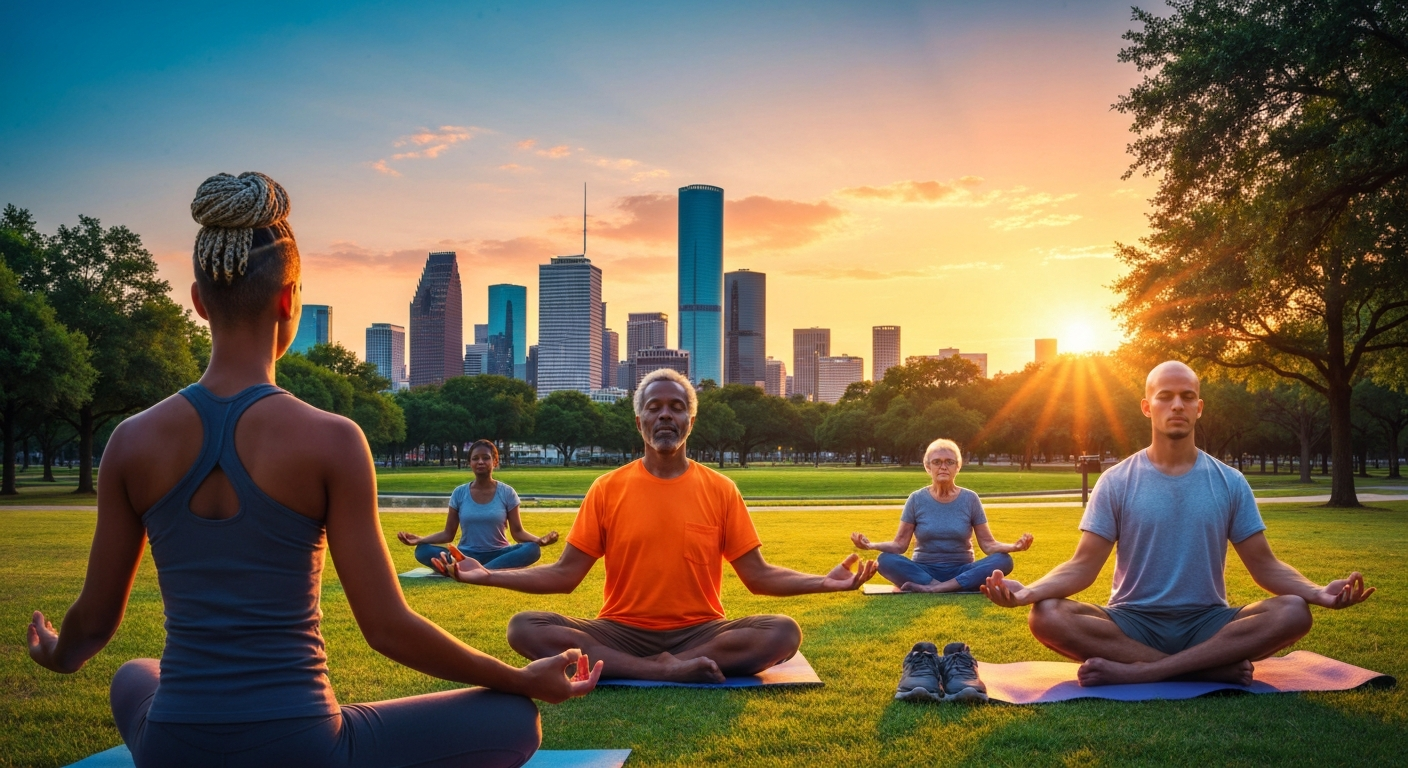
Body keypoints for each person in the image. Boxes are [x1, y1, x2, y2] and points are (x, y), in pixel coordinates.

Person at [25, 172, 600, 768]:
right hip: (303, 746)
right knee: (513, 718)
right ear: (289, 299)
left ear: (198, 302)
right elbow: (388, 628)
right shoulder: (333, 441)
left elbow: (92, 624)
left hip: (175, 744)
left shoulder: (130, 440)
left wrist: (59, 653)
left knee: (133, 675)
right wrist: (520, 678)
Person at [434, 368, 878, 683]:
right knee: (524, 627)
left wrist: (823, 582)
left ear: (690, 420)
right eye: (655, 407)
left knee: (784, 632)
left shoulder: (721, 489)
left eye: (676, 407)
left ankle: (666, 662)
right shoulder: (607, 488)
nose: (666, 415)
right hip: (620, 630)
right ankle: (662, 670)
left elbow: (758, 576)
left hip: (702, 631)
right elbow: (565, 575)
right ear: (639, 420)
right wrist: (490, 575)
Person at [981, 361, 1376, 686]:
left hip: (1209, 622)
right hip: (1131, 621)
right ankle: (1207, 670)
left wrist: (1318, 593)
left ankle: (1147, 672)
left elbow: (1265, 566)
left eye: (1187, 397)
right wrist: (1026, 593)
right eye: (1165, 397)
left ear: (1199, 408)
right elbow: (1082, 566)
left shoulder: (1230, 481)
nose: (1177, 405)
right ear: (1147, 407)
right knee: (1046, 615)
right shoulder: (1117, 481)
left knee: (1294, 611)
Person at [851, 438, 1032, 593]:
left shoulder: (970, 499)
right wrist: (871, 545)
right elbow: (899, 545)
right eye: (937, 462)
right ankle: (948, 586)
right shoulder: (916, 499)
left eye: (949, 462)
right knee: (885, 560)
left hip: (962, 570)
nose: (943, 467)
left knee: (1004, 560)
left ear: (958, 467)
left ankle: (936, 588)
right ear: (927, 467)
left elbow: (988, 544)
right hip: (923, 571)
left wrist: (1014, 547)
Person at [397, 439, 558, 571]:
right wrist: (420, 539)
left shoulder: (507, 492)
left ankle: (475, 571)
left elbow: (517, 533)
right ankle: (481, 570)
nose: (480, 462)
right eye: (475, 458)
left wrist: (540, 541)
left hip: (499, 553)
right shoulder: (459, 493)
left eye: (486, 458)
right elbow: (448, 534)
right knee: (423, 550)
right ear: (470, 463)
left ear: (495, 461)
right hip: (464, 555)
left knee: (531, 549)